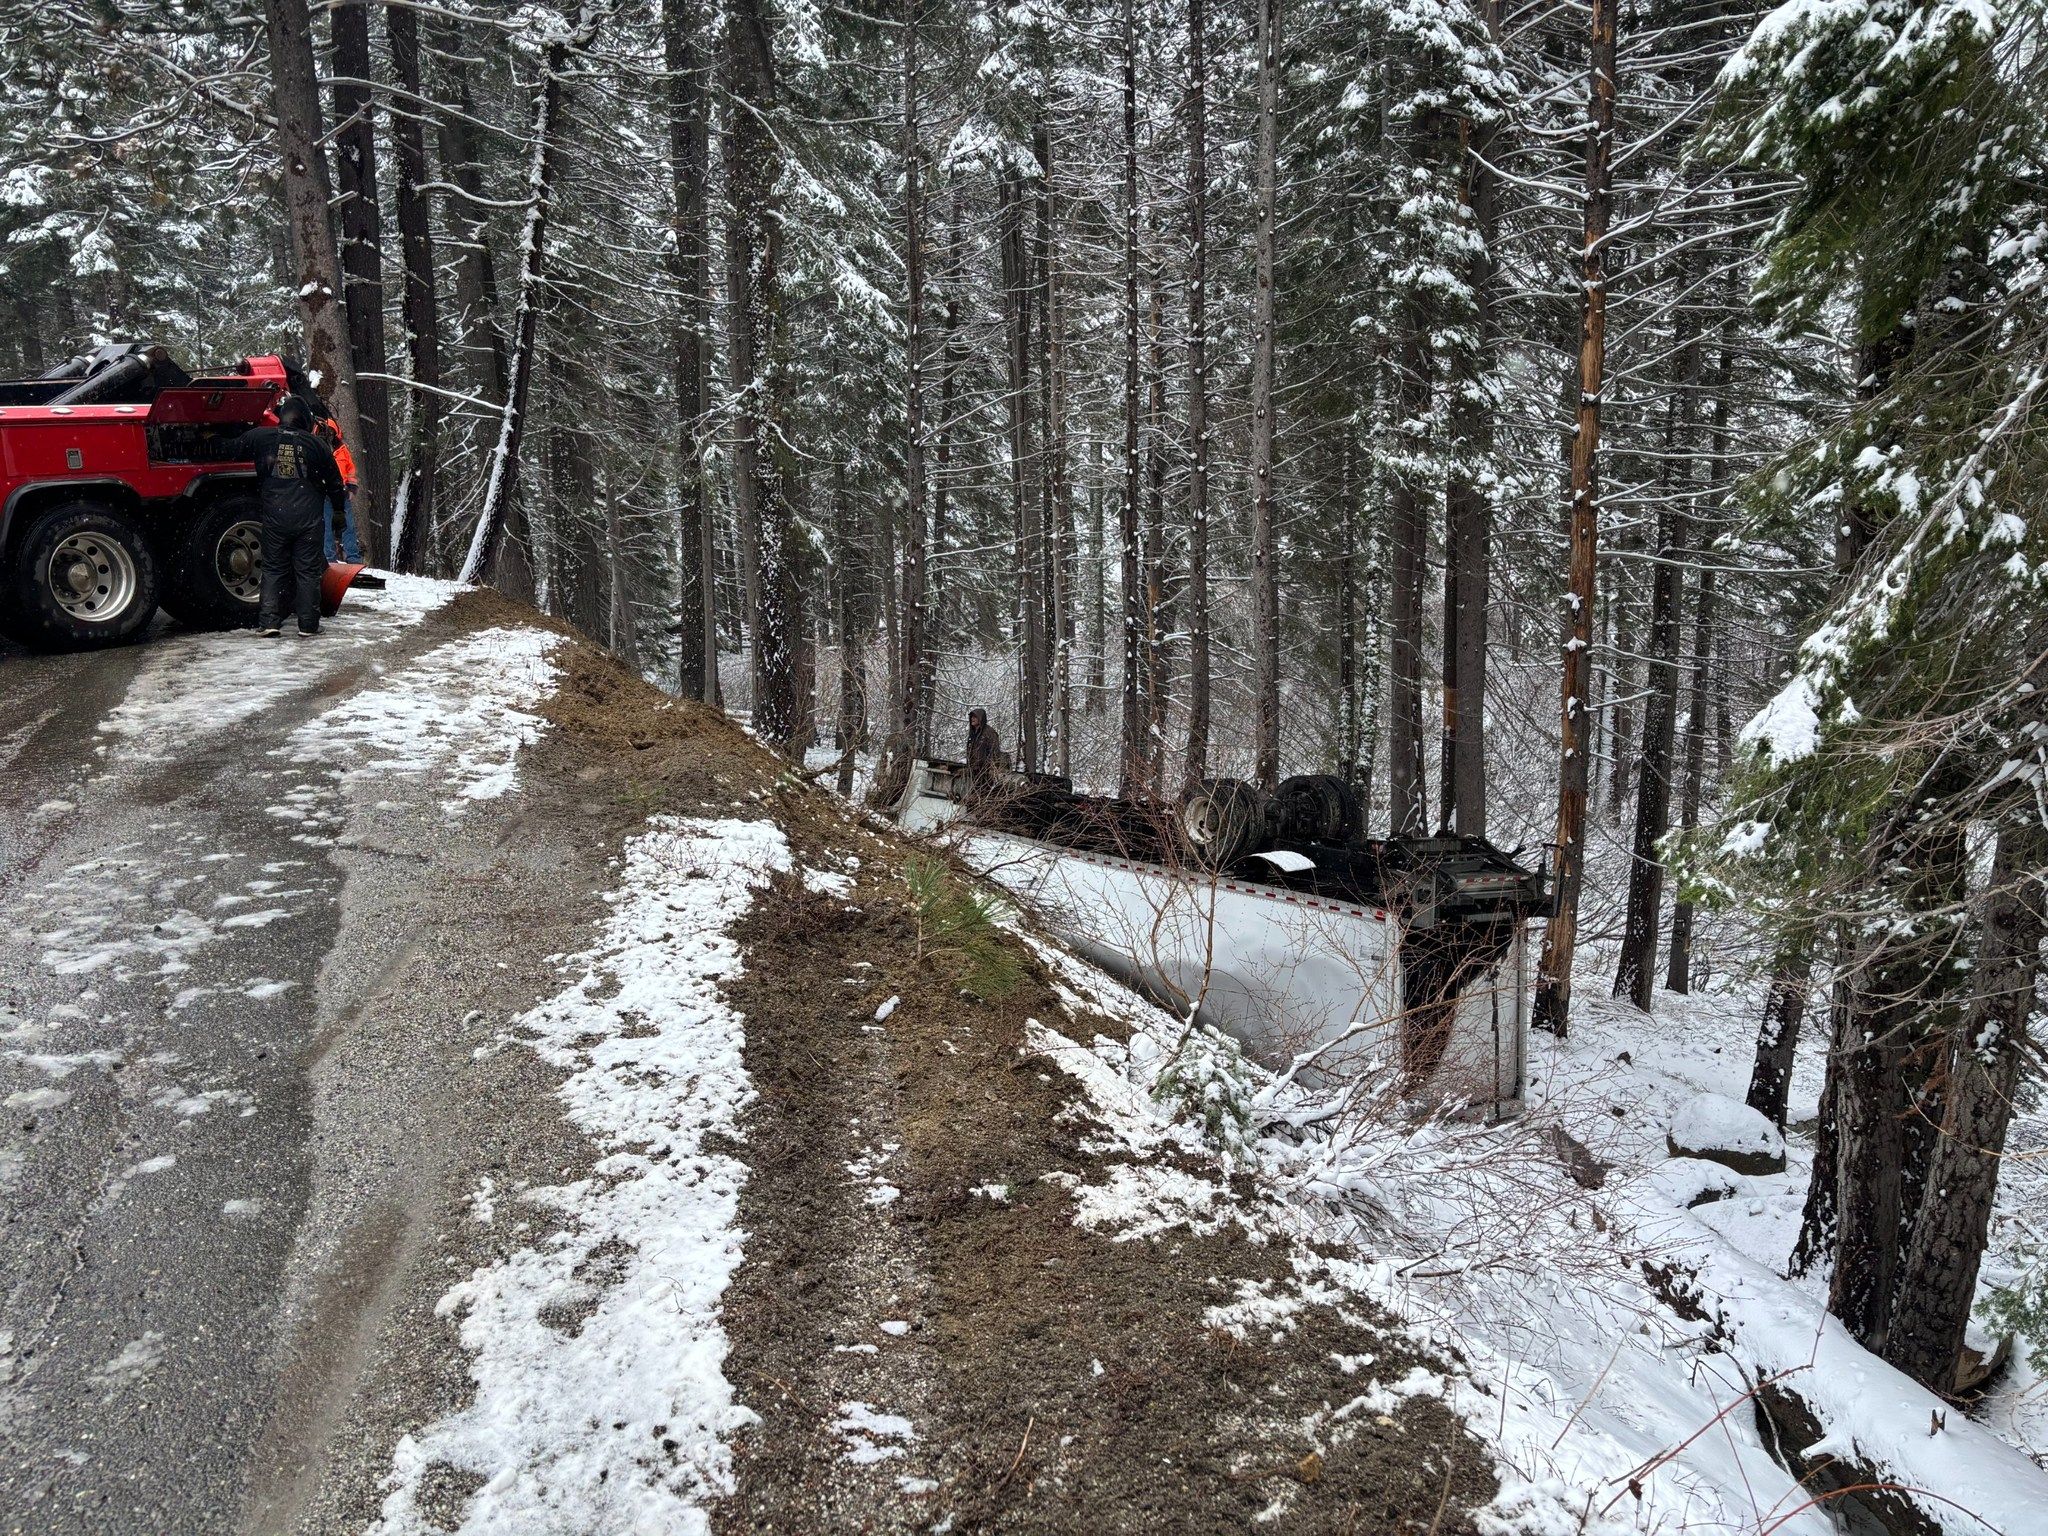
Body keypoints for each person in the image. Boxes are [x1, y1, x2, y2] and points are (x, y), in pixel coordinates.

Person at [230, 395, 344, 637]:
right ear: (304, 419)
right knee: (307, 572)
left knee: (272, 569)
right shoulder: (317, 445)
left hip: (275, 518)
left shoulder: (261, 437)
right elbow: (335, 483)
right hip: (309, 521)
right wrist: (339, 512)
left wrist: (206, 439)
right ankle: (308, 625)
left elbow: (230, 448)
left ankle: (269, 622)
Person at [315, 412, 363, 562]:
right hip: (324, 493)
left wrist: (352, 487)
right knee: (326, 528)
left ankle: (353, 558)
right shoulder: (316, 448)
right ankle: (329, 558)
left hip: (342, 493)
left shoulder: (342, 450)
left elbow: (350, 469)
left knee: (349, 526)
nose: (328, 435)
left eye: (330, 432)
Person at [965, 707, 1000, 797]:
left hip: (985, 771)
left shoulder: (989, 732)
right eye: (971, 717)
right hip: (973, 770)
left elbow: (995, 752)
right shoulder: (973, 733)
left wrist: (991, 769)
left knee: (983, 795)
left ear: (981, 718)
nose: (972, 719)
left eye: (975, 717)